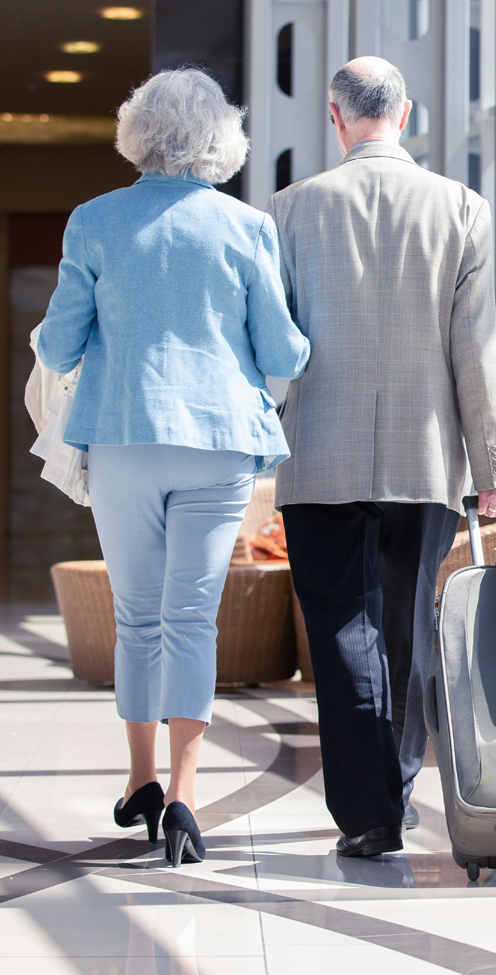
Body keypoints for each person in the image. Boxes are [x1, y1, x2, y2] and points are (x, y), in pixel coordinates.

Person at [37, 68, 310, 867]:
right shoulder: (246, 226)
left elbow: (56, 345)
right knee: (192, 618)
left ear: (137, 133)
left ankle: (141, 780)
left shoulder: (93, 222)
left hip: (122, 436)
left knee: (138, 618)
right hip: (219, 441)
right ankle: (189, 797)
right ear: (220, 139)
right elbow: (283, 350)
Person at [266, 57, 496, 857]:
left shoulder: (288, 209)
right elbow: (476, 351)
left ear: (335, 120)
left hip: (319, 454)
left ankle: (367, 813)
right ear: (404, 115)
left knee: (343, 625)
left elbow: (272, 349)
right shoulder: (461, 208)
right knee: (408, 628)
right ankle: (398, 791)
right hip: (426, 454)